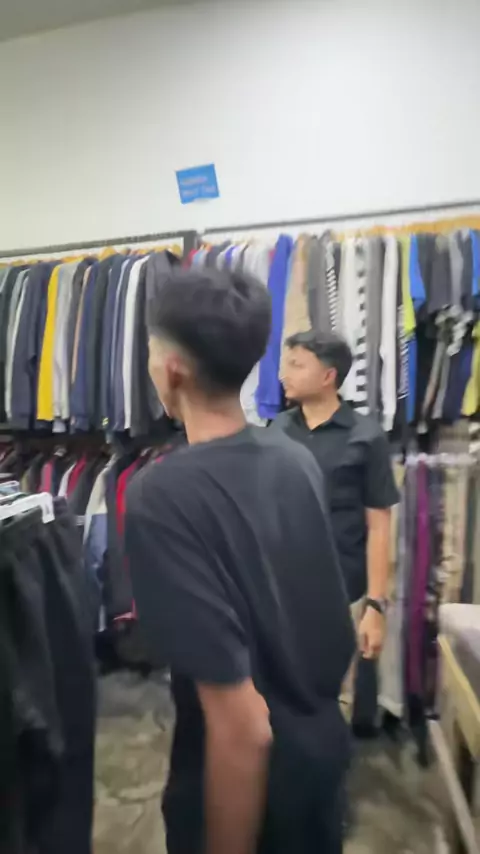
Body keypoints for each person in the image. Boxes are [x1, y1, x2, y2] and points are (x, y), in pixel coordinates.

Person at [124, 267, 355, 854]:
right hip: (320, 761)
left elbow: (244, 728)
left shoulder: (161, 495)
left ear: (172, 368)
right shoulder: (293, 456)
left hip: (248, 791)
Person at [274, 329, 399, 669]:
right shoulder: (278, 430)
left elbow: (379, 526)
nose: (284, 375)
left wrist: (376, 605)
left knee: (328, 687)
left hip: (340, 592)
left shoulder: (366, 437)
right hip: (279, 589)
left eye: (297, 365)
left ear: (328, 376)